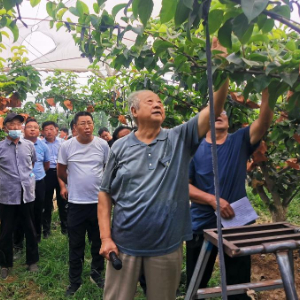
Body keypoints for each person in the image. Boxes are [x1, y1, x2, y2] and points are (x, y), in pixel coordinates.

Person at [98, 70, 229, 299]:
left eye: (160, 102)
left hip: (166, 246)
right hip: (124, 243)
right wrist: (106, 238)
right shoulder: (119, 147)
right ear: (134, 111)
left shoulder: (179, 138)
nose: (157, 105)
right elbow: (105, 193)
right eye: (150, 101)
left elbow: (214, 110)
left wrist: (222, 69)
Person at [186, 88, 273, 299]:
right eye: (213, 112)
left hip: (237, 223)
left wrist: (268, 88)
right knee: (196, 283)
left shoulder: (239, 140)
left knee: (238, 285)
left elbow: (263, 122)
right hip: (201, 223)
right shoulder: (193, 148)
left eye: (223, 112)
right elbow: (184, 186)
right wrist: (212, 200)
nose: (219, 114)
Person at [57, 111, 109, 297]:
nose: (87, 127)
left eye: (90, 123)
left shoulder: (102, 145)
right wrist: (74, 184)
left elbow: (107, 169)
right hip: (77, 204)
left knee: (98, 241)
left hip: (98, 203)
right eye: (82, 124)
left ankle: (97, 275)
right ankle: (75, 281)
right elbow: (61, 171)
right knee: (76, 244)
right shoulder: (67, 146)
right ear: (75, 127)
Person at [0, 113, 39, 280]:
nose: (16, 127)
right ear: (4, 128)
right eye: (12, 124)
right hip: (7, 195)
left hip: (26, 194)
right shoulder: (0, 147)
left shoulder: (29, 146)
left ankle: (32, 261)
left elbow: (32, 163)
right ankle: (5, 264)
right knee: (5, 232)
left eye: (18, 124)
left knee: (30, 229)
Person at [24, 118, 50, 242]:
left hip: (39, 181)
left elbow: (46, 164)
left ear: (39, 131)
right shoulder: (19, 144)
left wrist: (37, 174)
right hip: (22, 183)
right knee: (23, 209)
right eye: (29, 127)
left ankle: (37, 236)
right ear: (24, 130)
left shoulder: (43, 146)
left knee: (38, 208)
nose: (33, 129)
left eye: (35, 127)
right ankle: (20, 237)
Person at [42, 121, 68, 238]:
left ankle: (65, 228)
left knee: (63, 200)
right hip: (47, 173)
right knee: (46, 202)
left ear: (56, 130)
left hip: (61, 172)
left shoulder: (63, 143)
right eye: (46, 129)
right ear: (43, 131)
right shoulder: (41, 144)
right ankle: (46, 230)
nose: (49, 131)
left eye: (51, 129)